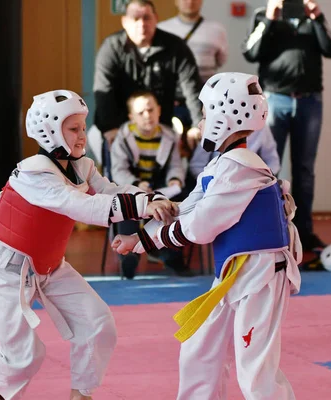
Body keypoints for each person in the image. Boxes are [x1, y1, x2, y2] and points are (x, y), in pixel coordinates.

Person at [111, 72, 302, 399]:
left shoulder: (240, 167)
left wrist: (149, 239)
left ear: (224, 116)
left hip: (260, 277)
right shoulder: (222, 165)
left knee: (255, 370)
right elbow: (188, 208)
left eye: (205, 111)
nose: (201, 119)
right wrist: (141, 239)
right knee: (199, 347)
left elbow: (200, 226)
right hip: (235, 272)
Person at [0, 89, 178, 400]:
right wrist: (141, 207)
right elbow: (83, 207)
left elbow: (111, 190)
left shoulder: (81, 166)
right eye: (73, 129)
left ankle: (81, 397)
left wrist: (154, 199)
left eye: (83, 128)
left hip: (49, 265)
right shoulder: (34, 172)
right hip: (8, 268)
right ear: (49, 131)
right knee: (23, 355)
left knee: (98, 325)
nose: (82, 136)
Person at [242, 0, 331, 252]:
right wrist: (269, 19)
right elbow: (250, 51)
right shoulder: (263, 16)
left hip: (309, 102)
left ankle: (304, 233)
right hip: (275, 101)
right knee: (265, 169)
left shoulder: (313, 18)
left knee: (305, 170)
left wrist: (317, 17)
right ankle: (268, 231)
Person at [93, 0, 203, 148]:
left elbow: (192, 87)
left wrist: (198, 124)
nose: (142, 24)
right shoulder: (111, 47)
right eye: (135, 19)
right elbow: (103, 90)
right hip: (118, 127)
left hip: (161, 128)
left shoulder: (176, 47)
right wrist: (110, 128)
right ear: (124, 22)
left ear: (156, 19)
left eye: (146, 18)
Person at [110, 90, 193, 278]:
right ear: (132, 117)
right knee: (126, 203)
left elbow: (175, 165)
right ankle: (129, 257)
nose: (147, 115)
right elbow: (118, 170)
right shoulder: (123, 138)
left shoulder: (169, 136)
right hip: (133, 186)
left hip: (160, 188)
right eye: (141, 113)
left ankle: (173, 256)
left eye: (151, 110)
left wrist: (175, 179)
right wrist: (137, 183)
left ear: (159, 111)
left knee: (177, 202)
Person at [158, 0, 228, 135]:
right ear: (176, 2)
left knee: (203, 139)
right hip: (172, 98)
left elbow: (221, 60)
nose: (190, 2)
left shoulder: (216, 30)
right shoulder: (162, 29)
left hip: (206, 98)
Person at [189, 124, 281, 179]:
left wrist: (262, 180)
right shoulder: (215, 125)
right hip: (216, 182)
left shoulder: (262, 128)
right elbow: (197, 165)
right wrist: (212, 181)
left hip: (251, 185)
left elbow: (273, 161)